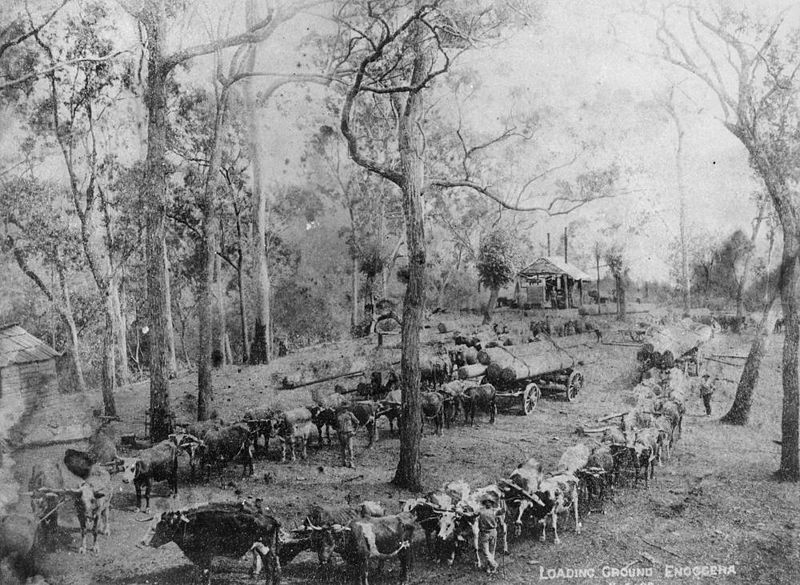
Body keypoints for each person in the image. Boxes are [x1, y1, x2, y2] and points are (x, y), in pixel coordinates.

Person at [477, 496, 500, 575]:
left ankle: (490, 567)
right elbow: (471, 515)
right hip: (488, 532)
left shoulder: (483, 511)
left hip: (490, 532)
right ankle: (492, 565)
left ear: (491, 503)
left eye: (489, 502)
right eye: (487, 502)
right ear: (485, 503)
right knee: (487, 551)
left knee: (489, 551)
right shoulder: (494, 511)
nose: (488, 503)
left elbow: (471, 515)